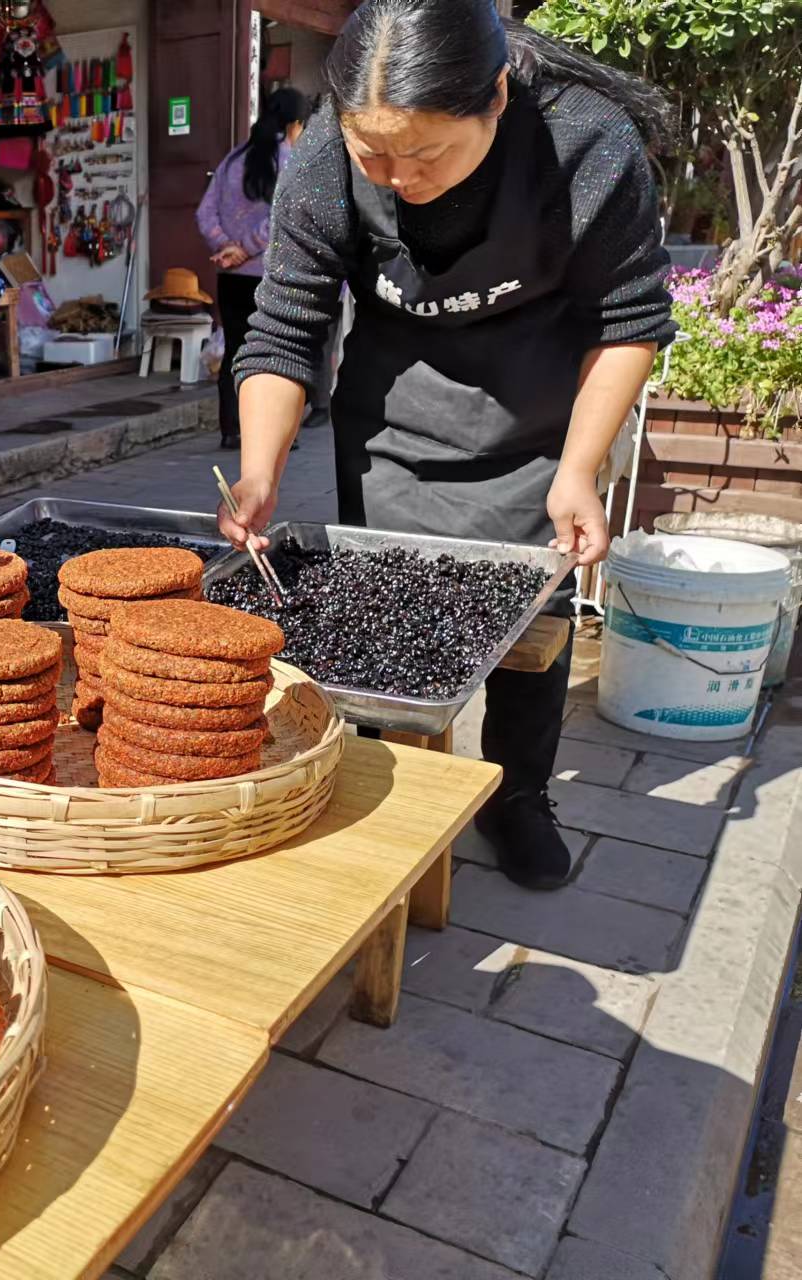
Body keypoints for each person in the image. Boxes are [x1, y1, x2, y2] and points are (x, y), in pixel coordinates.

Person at [222, 0, 674, 890]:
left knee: (528, 632)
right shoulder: (323, 158)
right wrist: (259, 471)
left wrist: (580, 470)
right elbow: (284, 329)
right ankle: (391, 789)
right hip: (392, 427)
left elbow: (628, 321)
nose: (396, 176)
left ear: (495, 98)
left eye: (426, 153)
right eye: (373, 153)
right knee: (385, 628)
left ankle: (517, 795)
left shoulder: (586, 144)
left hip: (543, 421)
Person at [197, 88, 311, 449]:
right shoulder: (290, 160)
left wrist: (226, 248)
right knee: (275, 354)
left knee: (235, 350)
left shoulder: (232, 160)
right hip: (274, 276)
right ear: (295, 124)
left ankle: (232, 429)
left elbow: (204, 213)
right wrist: (244, 249)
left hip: (231, 277)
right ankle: (273, 435)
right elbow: (285, 217)